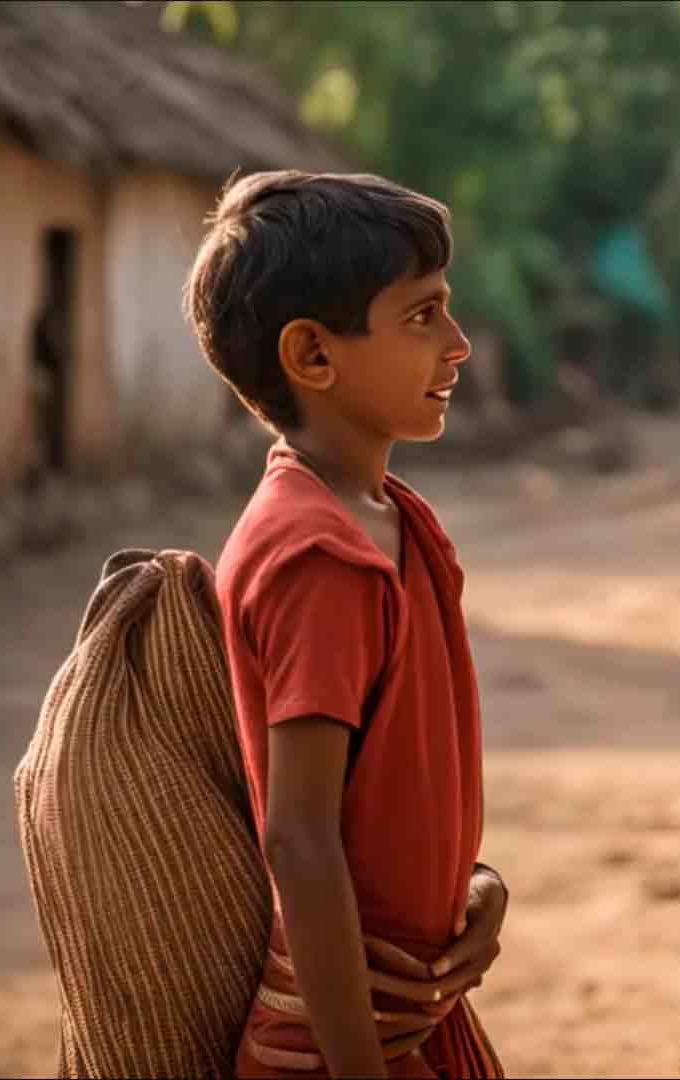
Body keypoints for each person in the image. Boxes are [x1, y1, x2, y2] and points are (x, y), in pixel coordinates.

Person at [188, 171, 507, 1078]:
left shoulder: (393, 520)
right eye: (421, 317)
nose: (459, 345)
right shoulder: (318, 556)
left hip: (409, 1008)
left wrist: (473, 887)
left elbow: (384, 797)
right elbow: (299, 834)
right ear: (313, 357)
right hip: (344, 1043)